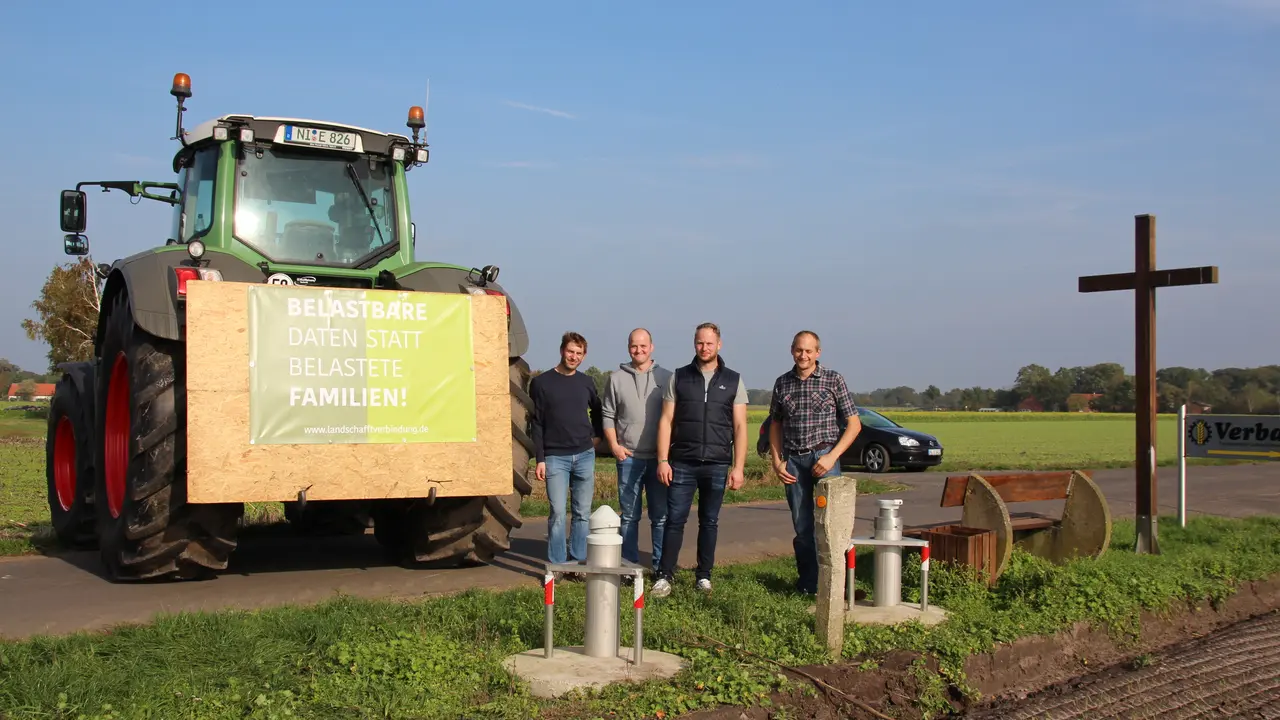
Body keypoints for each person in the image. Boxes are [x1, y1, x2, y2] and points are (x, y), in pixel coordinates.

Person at [650, 322, 749, 597]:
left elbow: (740, 426)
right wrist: (663, 460)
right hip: (682, 462)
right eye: (699, 343)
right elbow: (666, 420)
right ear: (694, 344)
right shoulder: (679, 377)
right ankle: (665, 575)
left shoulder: (733, 379)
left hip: (717, 463)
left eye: (709, 343)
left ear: (719, 345)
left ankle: (703, 575)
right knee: (675, 520)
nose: (704, 348)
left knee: (710, 521)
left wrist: (738, 467)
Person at [767, 330, 861, 596]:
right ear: (792, 350)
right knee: (803, 526)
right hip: (794, 462)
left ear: (818, 353)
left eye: (809, 351)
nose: (803, 355)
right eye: (799, 350)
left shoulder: (833, 380)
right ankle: (808, 584)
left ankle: (837, 586)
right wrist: (777, 462)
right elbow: (775, 424)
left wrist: (832, 456)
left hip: (825, 458)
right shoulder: (783, 383)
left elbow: (854, 424)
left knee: (831, 525)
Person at [601, 328, 673, 575]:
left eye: (643, 346)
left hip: (658, 460)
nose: (638, 350)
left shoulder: (667, 377)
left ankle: (659, 567)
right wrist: (614, 446)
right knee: (629, 517)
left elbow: (675, 417)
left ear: (651, 347)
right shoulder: (615, 378)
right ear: (628, 347)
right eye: (634, 346)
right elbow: (608, 415)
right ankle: (630, 567)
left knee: (660, 517)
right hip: (629, 458)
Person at [530, 331, 604, 571]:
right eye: (570, 351)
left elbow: (599, 410)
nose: (574, 357)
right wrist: (540, 459)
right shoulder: (542, 383)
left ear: (583, 356)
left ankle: (578, 560)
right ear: (562, 350)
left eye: (579, 353)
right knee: (558, 512)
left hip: (584, 454)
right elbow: (537, 423)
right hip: (555, 457)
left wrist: (597, 436)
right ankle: (558, 564)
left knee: (583, 512)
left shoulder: (586, 382)